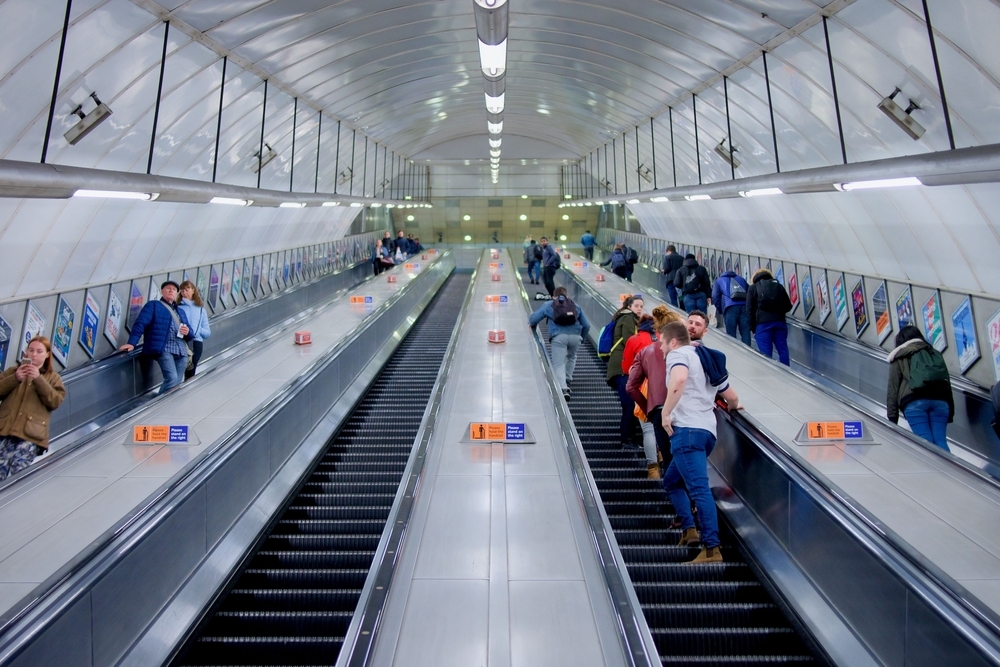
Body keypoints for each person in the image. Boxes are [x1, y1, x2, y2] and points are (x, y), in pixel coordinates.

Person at [659, 320, 742, 563]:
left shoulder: (678, 355)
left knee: (698, 489)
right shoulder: (703, 356)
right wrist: (736, 407)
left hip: (687, 431)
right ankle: (689, 529)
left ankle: (711, 548)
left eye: (662, 343)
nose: (661, 348)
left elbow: (680, 379)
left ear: (672, 341)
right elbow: (732, 396)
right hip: (707, 433)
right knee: (672, 481)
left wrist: (666, 412)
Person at [627, 306, 684, 479]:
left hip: (658, 409)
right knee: (687, 460)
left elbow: (630, 386)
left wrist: (649, 409)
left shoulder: (646, 351)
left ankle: (663, 483)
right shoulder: (690, 350)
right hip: (685, 409)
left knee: (668, 459)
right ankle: (693, 502)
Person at [0, 337, 66, 479]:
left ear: (47, 354)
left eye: (39, 351)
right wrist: (15, 378)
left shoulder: (53, 378)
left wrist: (38, 379)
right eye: (31, 350)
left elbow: (55, 401)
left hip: (30, 436)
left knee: (16, 475)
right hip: (4, 430)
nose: (34, 354)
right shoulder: (13, 372)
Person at [887, 326, 954, 450]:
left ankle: (933, 469)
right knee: (940, 441)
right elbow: (946, 382)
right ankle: (952, 469)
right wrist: (951, 411)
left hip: (914, 402)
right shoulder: (934, 353)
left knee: (925, 441)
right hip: (940, 402)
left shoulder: (899, 356)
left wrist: (892, 418)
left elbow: (893, 388)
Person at [120, 280, 193, 393]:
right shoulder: (153, 305)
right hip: (164, 348)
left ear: (176, 294)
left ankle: (171, 405)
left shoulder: (180, 311)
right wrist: (132, 343)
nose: (171, 290)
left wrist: (187, 331)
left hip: (181, 350)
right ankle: (160, 404)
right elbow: (140, 323)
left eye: (174, 289)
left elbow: (190, 334)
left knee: (177, 383)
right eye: (168, 288)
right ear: (161, 291)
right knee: (172, 379)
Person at [529, 286, 591, 399]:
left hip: (558, 336)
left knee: (559, 363)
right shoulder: (575, 305)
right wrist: (582, 338)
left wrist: (532, 326)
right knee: (571, 357)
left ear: (554, 296)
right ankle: (567, 380)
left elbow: (533, 319)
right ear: (567, 296)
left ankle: (563, 389)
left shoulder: (549, 304)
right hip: (576, 337)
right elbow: (587, 325)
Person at [607, 295, 643, 448]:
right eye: (637, 306)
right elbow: (631, 341)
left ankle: (630, 439)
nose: (640, 309)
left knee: (629, 404)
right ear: (629, 307)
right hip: (622, 367)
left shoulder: (625, 318)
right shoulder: (628, 319)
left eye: (641, 306)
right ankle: (627, 440)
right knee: (629, 404)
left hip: (622, 367)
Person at [747, 268, 792, 365]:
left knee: (766, 354)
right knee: (783, 350)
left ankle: (770, 378)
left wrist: (753, 329)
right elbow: (788, 306)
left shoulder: (753, 288)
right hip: (780, 323)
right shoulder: (779, 286)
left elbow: (749, 310)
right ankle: (787, 374)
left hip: (762, 325)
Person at [179, 280, 211, 380]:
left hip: (196, 343)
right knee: (179, 369)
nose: (184, 292)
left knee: (190, 371)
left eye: (187, 290)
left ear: (193, 290)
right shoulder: (178, 307)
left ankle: (186, 393)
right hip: (181, 342)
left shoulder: (201, 310)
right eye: (182, 290)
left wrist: (197, 330)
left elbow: (207, 333)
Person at [712, 268, 750, 345]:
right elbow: (749, 292)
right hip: (744, 306)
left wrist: (720, 310)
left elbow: (715, 296)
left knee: (731, 333)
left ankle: (735, 353)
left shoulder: (719, 281)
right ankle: (749, 353)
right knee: (745, 332)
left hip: (730, 307)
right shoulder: (741, 279)